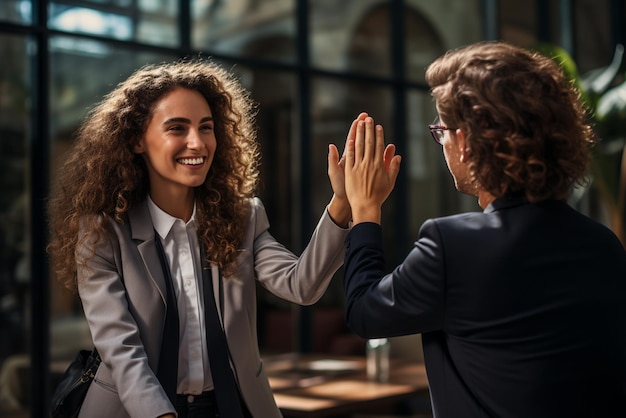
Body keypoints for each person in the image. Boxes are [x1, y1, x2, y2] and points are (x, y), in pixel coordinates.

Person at [46, 58, 365, 418]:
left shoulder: (243, 217)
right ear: (137, 140)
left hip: (230, 405)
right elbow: (121, 349)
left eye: (206, 127)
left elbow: (302, 285)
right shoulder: (104, 231)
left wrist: (342, 203)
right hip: (136, 408)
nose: (197, 143)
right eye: (177, 128)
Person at [340, 41, 626, 418]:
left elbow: (364, 312)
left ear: (465, 144)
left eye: (440, 130)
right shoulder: (603, 245)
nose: (440, 141)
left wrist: (364, 209)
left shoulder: (452, 245)